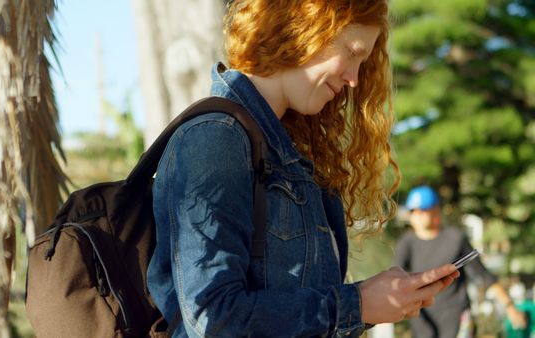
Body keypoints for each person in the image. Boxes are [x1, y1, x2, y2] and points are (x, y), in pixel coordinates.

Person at [147, 1, 460, 336]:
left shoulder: (286, 151)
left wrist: (375, 301)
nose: (354, 79)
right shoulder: (217, 138)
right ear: (303, 25)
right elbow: (213, 318)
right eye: (353, 52)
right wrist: (357, 304)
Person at [395, 185, 527, 338]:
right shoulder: (406, 243)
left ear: (436, 210)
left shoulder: (455, 239)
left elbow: (483, 276)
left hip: (457, 317)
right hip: (423, 321)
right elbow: (396, 281)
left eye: (422, 210)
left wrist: (509, 307)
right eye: (413, 211)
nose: (417, 216)